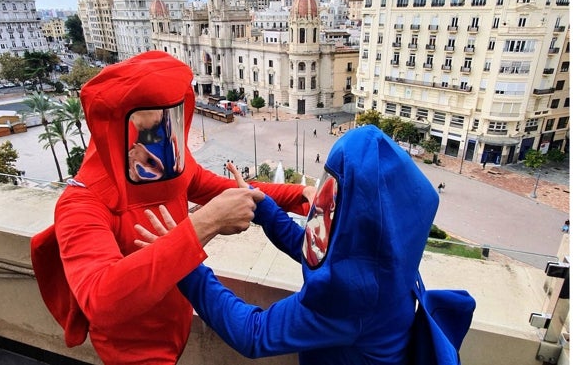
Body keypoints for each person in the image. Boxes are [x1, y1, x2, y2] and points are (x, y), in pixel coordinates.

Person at [30, 51, 315, 364]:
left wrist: (302, 194)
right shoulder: (81, 204)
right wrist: (205, 224)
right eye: (151, 131)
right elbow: (101, 299)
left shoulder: (168, 168)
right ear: (118, 133)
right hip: (132, 350)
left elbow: (230, 190)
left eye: (170, 124)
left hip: (175, 325)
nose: (163, 142)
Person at [137, 125, 440, 364]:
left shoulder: (353, 300)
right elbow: (311, 250)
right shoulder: (384, 257)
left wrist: (184, 264)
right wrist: (263, 205)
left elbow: (254, 334)